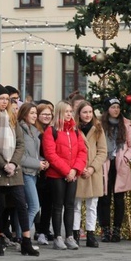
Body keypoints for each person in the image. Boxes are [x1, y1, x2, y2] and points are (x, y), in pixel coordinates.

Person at [0, 84, 39, 257]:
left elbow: (20, 144)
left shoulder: (13, 119)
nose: (4, 102)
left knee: (21, 204)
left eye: (7, 99)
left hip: (14, 169)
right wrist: (3, 164)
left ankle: (26, 241)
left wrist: (12, 163)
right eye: (2, 99)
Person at [41, 101, 88, 251]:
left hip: (72, 174)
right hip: (56, 175)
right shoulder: (51, 131)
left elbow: (82, 152)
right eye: (66, 111)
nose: (69, 114)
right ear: (60, 112)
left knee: (70, 205)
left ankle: (69, 236)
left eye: (70, 111)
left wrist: (75, 169)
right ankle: (57, 237)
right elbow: (50, 154)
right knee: (57, 206)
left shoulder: (75, 131)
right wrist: (66, 171)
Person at [98, 97, 131, 243]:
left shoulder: (126, 125)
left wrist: (127, 157)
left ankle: (117, 230)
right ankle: (105, 229)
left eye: (118, 107)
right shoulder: (100, 125)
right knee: (104, 198)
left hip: (120, 165)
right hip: (105, 164)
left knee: (119, 199)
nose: (116, 110)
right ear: (107, 109)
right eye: (113, 107)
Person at [74, 100, 107, 248]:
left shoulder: (98, 128)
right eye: (84, 112)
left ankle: (90, 234)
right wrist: (78, 168)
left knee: (92, 205)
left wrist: (93, 168)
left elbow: (102, 151)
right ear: (79, 114)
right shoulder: (74, 128)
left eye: (90, 112)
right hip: (78, 170)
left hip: (93, 172)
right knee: (76, 205)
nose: (87, 115)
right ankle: (74, 233)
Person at [17, 102, 49, 243]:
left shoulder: (33, 130)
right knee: (34, 206)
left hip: (33, 172)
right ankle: (24, 238)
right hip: (25, 172)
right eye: (32, 113)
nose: (35, 116)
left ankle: (21, 237)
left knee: (28, 207)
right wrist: (38, 163)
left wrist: (42, 161)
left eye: (36, 113)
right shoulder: (20, 130)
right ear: (24, 114)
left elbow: (34, 153)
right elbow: (20, 156)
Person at [34, 101, 55, 246]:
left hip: (49, 170)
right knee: (36, 204)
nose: (47, 117)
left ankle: (44, 230)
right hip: (36, 170)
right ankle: (37, 228)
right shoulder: (35, 131)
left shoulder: (53, 130)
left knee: (48, 203)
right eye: (44, 114)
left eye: (49, 114)